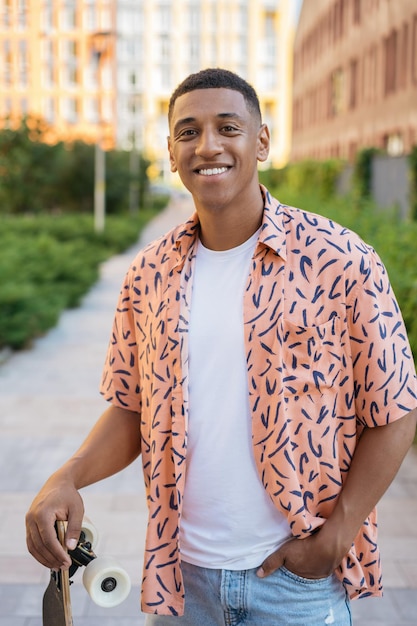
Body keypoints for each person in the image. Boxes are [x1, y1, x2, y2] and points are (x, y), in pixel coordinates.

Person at [26, 68, 417, 625]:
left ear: (261, 141)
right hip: (182, 583)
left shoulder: (339, 260)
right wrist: (67, 476)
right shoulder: (149, 275)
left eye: (227, 127)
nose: (207, 145)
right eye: (188, 132)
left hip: (295, 584)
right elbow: (131, 408)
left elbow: (396, 411)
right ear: (170, 151)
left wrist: (339, 534)